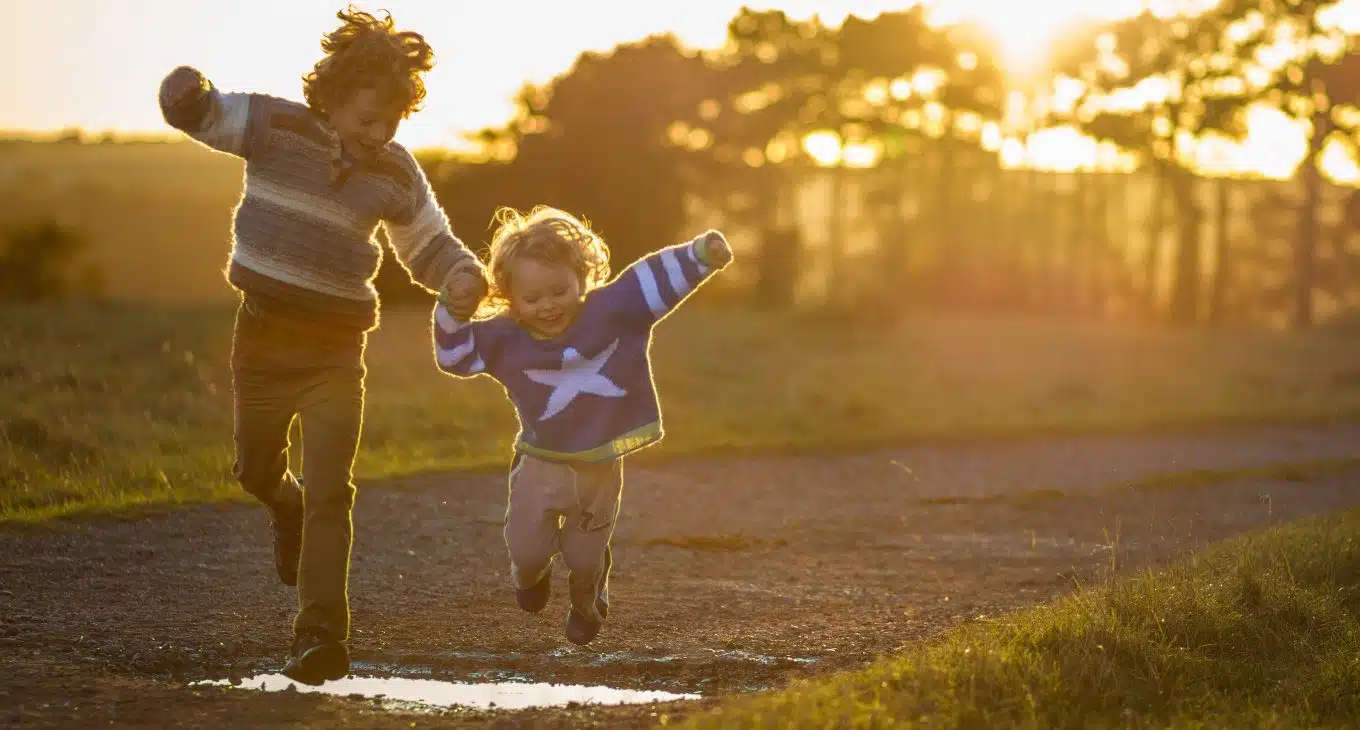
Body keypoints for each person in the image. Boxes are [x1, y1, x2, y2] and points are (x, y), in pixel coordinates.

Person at [157, 6, 488, 685]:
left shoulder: (395, 172)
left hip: (338, 352)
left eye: (391, 123)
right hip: (263, 341)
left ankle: (318, 637)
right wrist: (187, 98)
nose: (379, 134)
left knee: (334, 492)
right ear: (331, 101)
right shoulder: (277, 127)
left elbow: (427, 243)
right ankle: (284, 505)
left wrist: (459, 274)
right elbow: (211, 116)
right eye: (367, 119)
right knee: (255, 470)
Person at [431, 206, 732, 645]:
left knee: (584, 555)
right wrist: (451, 309)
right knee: (527, 547)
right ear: (511, 298)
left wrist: (700, 255)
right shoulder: (504, 337)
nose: (548, 305)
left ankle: (588, 601)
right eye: (532, 299)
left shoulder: (611, 311)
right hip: (539, 461)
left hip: (600, 463)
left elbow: (649, 282)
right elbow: (453, 357)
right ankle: (530, 577)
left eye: (560, 290)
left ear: (581, 278)